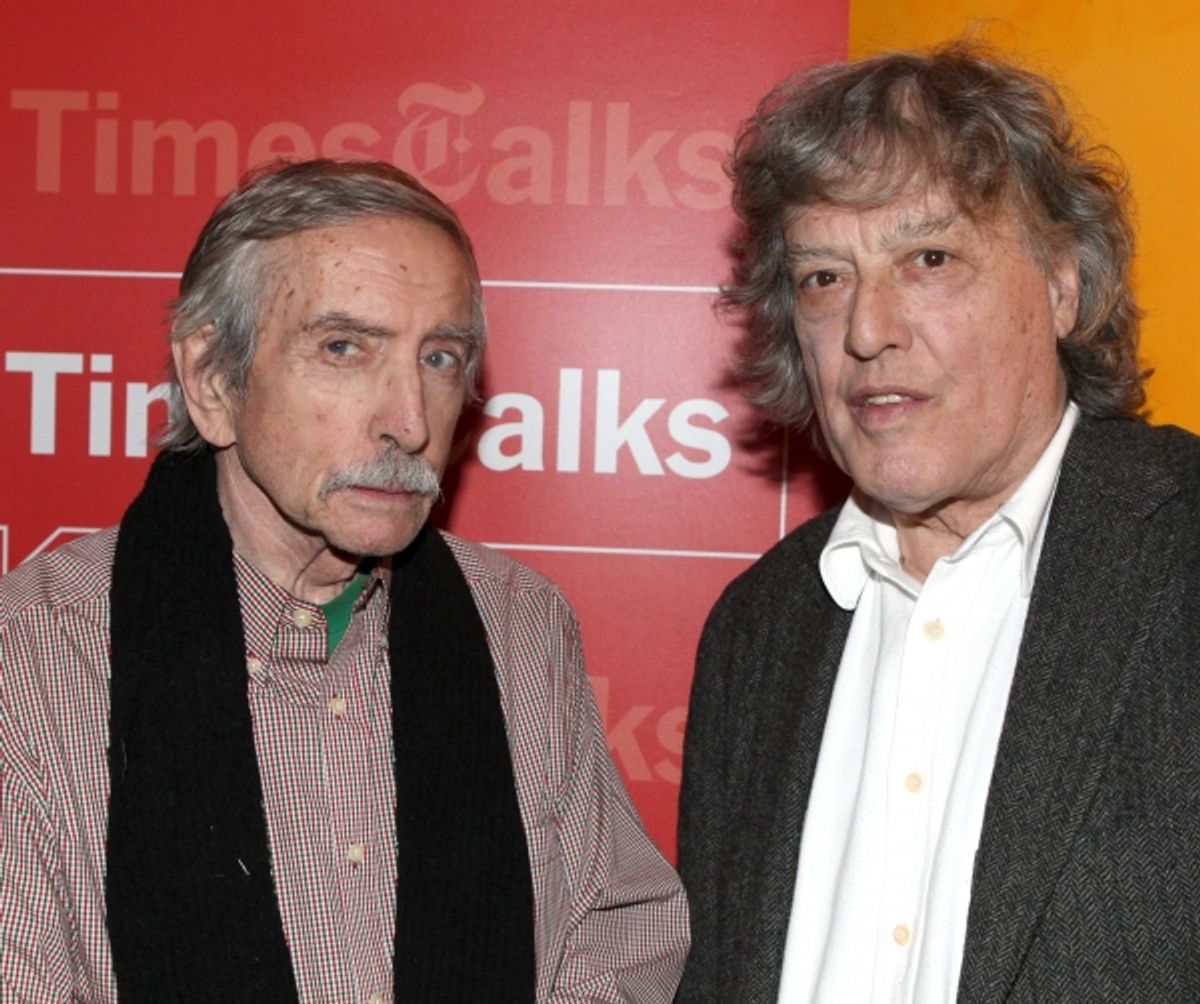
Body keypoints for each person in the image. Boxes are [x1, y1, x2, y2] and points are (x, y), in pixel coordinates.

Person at [0, 159, 688, 1003]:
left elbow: (621, 941)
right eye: (343, 348)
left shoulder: (518, 626)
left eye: (440, 357)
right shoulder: (36, 653)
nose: (408, 418)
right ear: (213, 380)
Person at [677, 43, 1200, 1003]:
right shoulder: (757, 631)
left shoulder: (1181, 557)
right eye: (825, 277)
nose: (869, 331)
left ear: (1061, 285)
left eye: (929, 258)